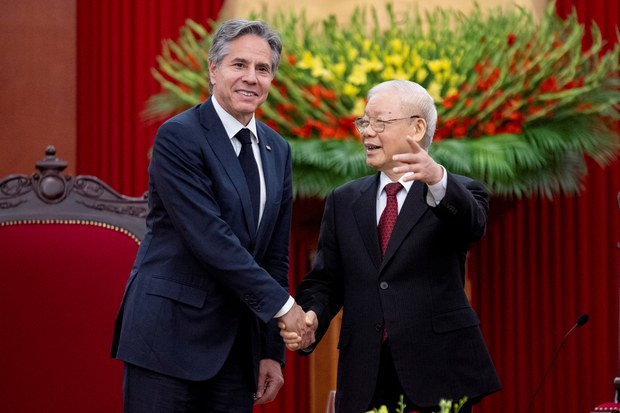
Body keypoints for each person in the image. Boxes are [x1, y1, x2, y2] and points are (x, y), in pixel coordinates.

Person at [111, 19, 312, 412]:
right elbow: (210, 238)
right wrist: (286, 308)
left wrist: (270, 350)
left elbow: (274, 255)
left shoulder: (277, 149)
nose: (251, 77)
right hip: (167, 341)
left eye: (263, 68)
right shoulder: (179, 136)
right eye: (239, 65)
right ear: (214, 70)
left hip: (235, 351)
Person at [281, 80, 501, 412]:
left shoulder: (455, 192)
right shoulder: (344, 200)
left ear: (417, 128)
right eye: (364, 122)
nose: (367, 132)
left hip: (438, 373)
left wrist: (436, 178)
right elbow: (326, 281)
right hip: (366, 376)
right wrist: (312, 316)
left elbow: (473, 227)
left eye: (380, 122)